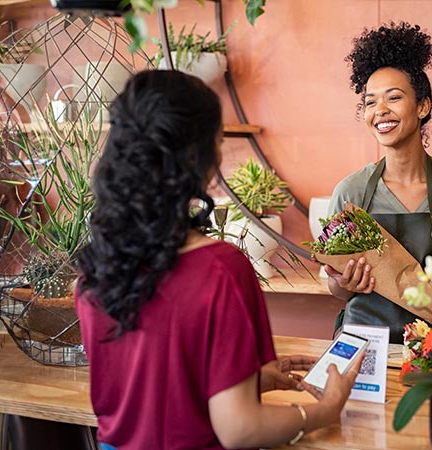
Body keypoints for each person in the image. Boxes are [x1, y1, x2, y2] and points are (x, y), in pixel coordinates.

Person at [76, 70, 363, 450]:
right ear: (198, 158)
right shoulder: (220, 270)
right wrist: (324, 410)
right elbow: (240, 429)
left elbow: (153, 383)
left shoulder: (97, 269)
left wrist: (248, 379)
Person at [326, 22, 432, 344]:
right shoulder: (351, 193)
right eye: (369, 102)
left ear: (422, 106)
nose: (380, 110)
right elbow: (337, 290)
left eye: (393, 98)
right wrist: (345, 282)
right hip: (364, 347)